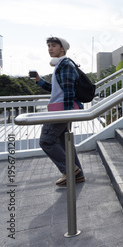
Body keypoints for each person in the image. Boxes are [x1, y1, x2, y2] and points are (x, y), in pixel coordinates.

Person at [32, 37, 85, 186]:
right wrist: (39, 81)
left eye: (53, 45)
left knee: (46, 140)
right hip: (61, 109)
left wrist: (66, 114)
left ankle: (69, 170)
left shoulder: (65, 65)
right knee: (64, 143)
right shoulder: (60, 65)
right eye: (48, 46)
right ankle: (78, 175)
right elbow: (56, 89)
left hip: (61, 110)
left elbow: (69, 91)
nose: (50, 48)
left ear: (62, 48)